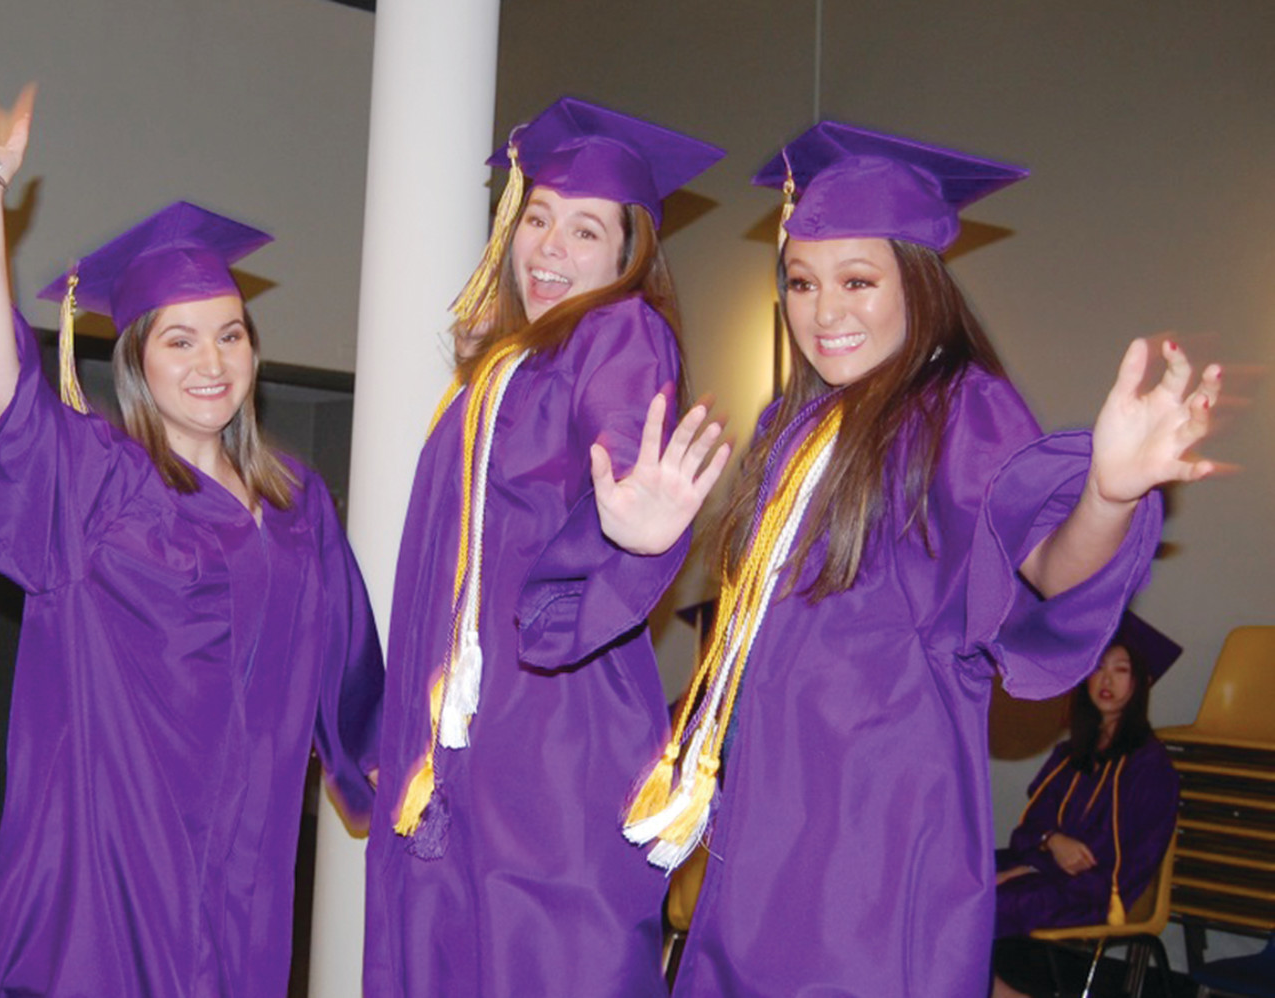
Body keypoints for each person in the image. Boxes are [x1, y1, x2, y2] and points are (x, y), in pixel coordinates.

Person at [626, 121, 1222, 997]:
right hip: (767, 811)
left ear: (918, 282)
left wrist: (1110, 492)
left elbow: (1048, 567)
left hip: (877, 819)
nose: (825, 312)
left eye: (857, 281)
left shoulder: (957, 410)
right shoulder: (790, 429)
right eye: (801, 281)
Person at [0, 42, 382, 998]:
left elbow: (358, 682)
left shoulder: (299, 508)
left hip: (245, 886)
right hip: (109, 881)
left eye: (232, 334)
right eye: (179, 339)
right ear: (138, 363)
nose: (212, 361)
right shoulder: (97, 482)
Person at [362, 97, 730, 998]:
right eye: (537, 220)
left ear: (628, 253)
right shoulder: (495, 372)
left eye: (586, 230)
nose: (551, 250)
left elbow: (621, 446)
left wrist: (639, 541)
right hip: (472, 748)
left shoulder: (619, 332)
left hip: (556, 745)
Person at [991, 614, 1181, 998]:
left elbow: (1107, 859)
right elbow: (1028, 832)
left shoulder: (1149, 766)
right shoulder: (1069, 755)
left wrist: (1030, 866)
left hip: (1098, 891)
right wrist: (1049, 842)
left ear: (1142, 683)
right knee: (952, 878)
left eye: (1121, 669)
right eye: (1097, 667)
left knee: (985, 902)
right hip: (1047, 874)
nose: (1106, 680)